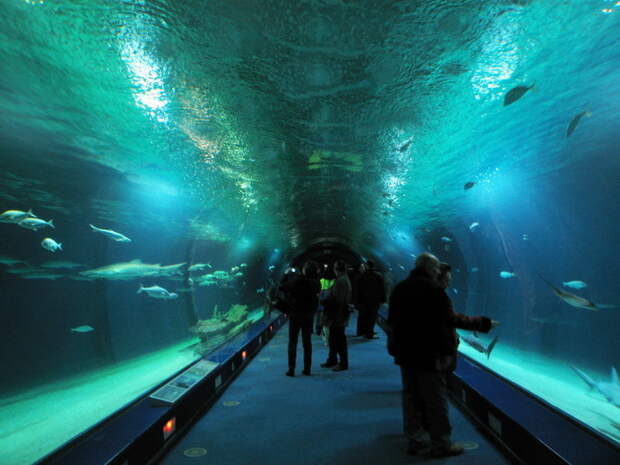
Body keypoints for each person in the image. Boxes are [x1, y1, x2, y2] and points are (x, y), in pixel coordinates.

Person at [388, 253, 499, 458]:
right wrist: (483, 323)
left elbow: (392, 320)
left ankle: (415, 440)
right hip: (429, 353)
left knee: (411, 397)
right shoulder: (434, 291)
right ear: (431, 268)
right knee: (435, 399)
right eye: (438, 269)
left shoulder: (400, 289)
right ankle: (441, 444)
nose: (439, 273)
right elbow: (451, 319)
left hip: (406, 353)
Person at [278, 261, 321, 377]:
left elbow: (281, 287)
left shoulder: (297, 281)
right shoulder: (316, 283)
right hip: (308, 316)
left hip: (295, 315)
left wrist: (286, 274)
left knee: (293, 342)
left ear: (305, 270)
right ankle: (307, 368)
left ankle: (291, 368)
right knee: (307, 342)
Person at [320, 260, 352, 372]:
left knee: (339, 340)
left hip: (337, 315)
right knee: (333, 339)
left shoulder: (341, 281)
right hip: (338, 314)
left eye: (334, 267)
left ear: (336, 268)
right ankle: (332, 359)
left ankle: (343, 363)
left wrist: (323, 298)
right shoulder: (344, 279)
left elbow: (337, 300)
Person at [355, 260, 386, 339]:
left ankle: (361, 332)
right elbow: (382, 289)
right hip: (374, 300)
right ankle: (369, 333)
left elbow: (358, 289)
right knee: (371, 317)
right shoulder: (378, 276)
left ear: (367, 266)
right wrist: (383, 299)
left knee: (363, 316)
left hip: (363, 300)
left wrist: (357, 301)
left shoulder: (362, 276)